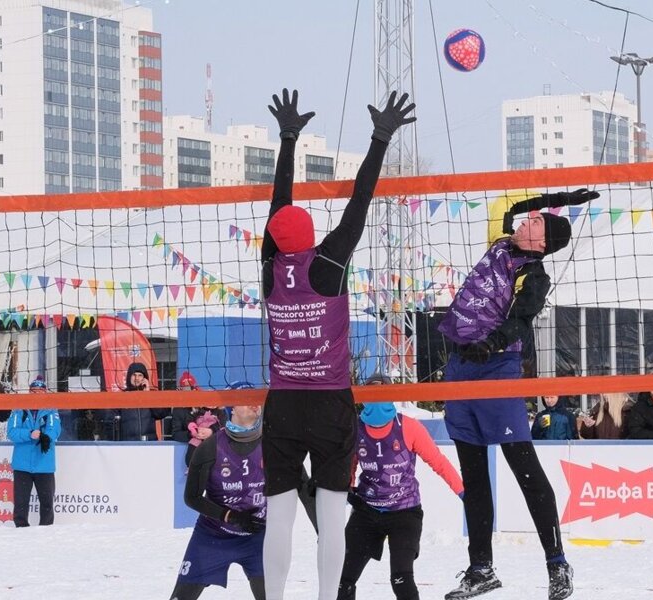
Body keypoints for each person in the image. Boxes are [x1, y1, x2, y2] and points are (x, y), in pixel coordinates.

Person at [259, 88, 416, 600]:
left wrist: (287, 140)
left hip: (282, 403)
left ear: (274, 239)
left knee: (279, 517)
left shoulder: (268, 268)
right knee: (331, 518)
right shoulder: (328, 264)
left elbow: (277, 207)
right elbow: (360, 201)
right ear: (309, 235)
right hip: (329, 403)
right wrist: (380, 138)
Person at [437, 187, 599, 600]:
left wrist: (489, 345)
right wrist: (559, 198)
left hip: (496, 369)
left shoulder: (534, 273)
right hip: (459, 368)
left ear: (542, 242)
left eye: (536, 221)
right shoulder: (500, 241)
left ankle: (557, 565)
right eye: (531, 217)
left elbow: (522, 320)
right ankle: (481, 570)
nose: (526, 220)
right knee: (473, 478)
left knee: (524, 469)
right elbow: (505, 204)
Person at [337, 389, 465, 600]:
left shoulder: (409, 427)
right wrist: (343, 490)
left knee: (401, 579)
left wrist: (463, 492)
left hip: (404, 512)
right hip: (366, 511)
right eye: (372, 391)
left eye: (380, 390)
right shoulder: (355, 429)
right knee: (342, 581)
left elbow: (438, 462)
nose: (376, 398)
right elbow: (347, 468)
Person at [169, 403, 269, 600]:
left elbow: (302, 489)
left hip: (257, 537)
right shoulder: (209, 447)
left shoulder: (272, 445)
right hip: (213, 535)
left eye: (256, 399)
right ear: (232, 408)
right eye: (246, 400)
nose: (255, 404)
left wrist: (321, 531)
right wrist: (230, 516)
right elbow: (191, 498)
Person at [6, 376, 60, 527]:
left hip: (44, 464)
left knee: (47, 505)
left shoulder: (51, 410)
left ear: (45, 392)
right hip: (22, 466)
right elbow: (12, 432)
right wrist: (29, 434)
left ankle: (46, 534)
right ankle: (21, 533)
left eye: (40, 391)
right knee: (20, 506)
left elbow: (54, 431)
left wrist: (43, 437)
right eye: (34, 391)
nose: (37, 394)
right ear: (29, 392)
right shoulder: (18, 409)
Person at [172, 372, 229, 467]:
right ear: (180, 389)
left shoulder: (210, 403)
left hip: (212, 447)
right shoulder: (178, 410)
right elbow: (176, 434)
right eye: (185, 388)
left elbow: (224, 426)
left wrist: (211, 431)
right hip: (193, 446)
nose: (189, 391)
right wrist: (193, 433)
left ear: (195, 388)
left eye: (191, 388)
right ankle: (190, 467)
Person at [103, 362, 170, 441]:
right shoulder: (121, 397)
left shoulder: (151, 394)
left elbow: (161, 414)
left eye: (140, 375)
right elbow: (110, 423)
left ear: (144, 379)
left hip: (149, 444)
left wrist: (148, 395)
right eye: (134, 375)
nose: (137, 378)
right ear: (129, 377)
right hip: (127, 445)